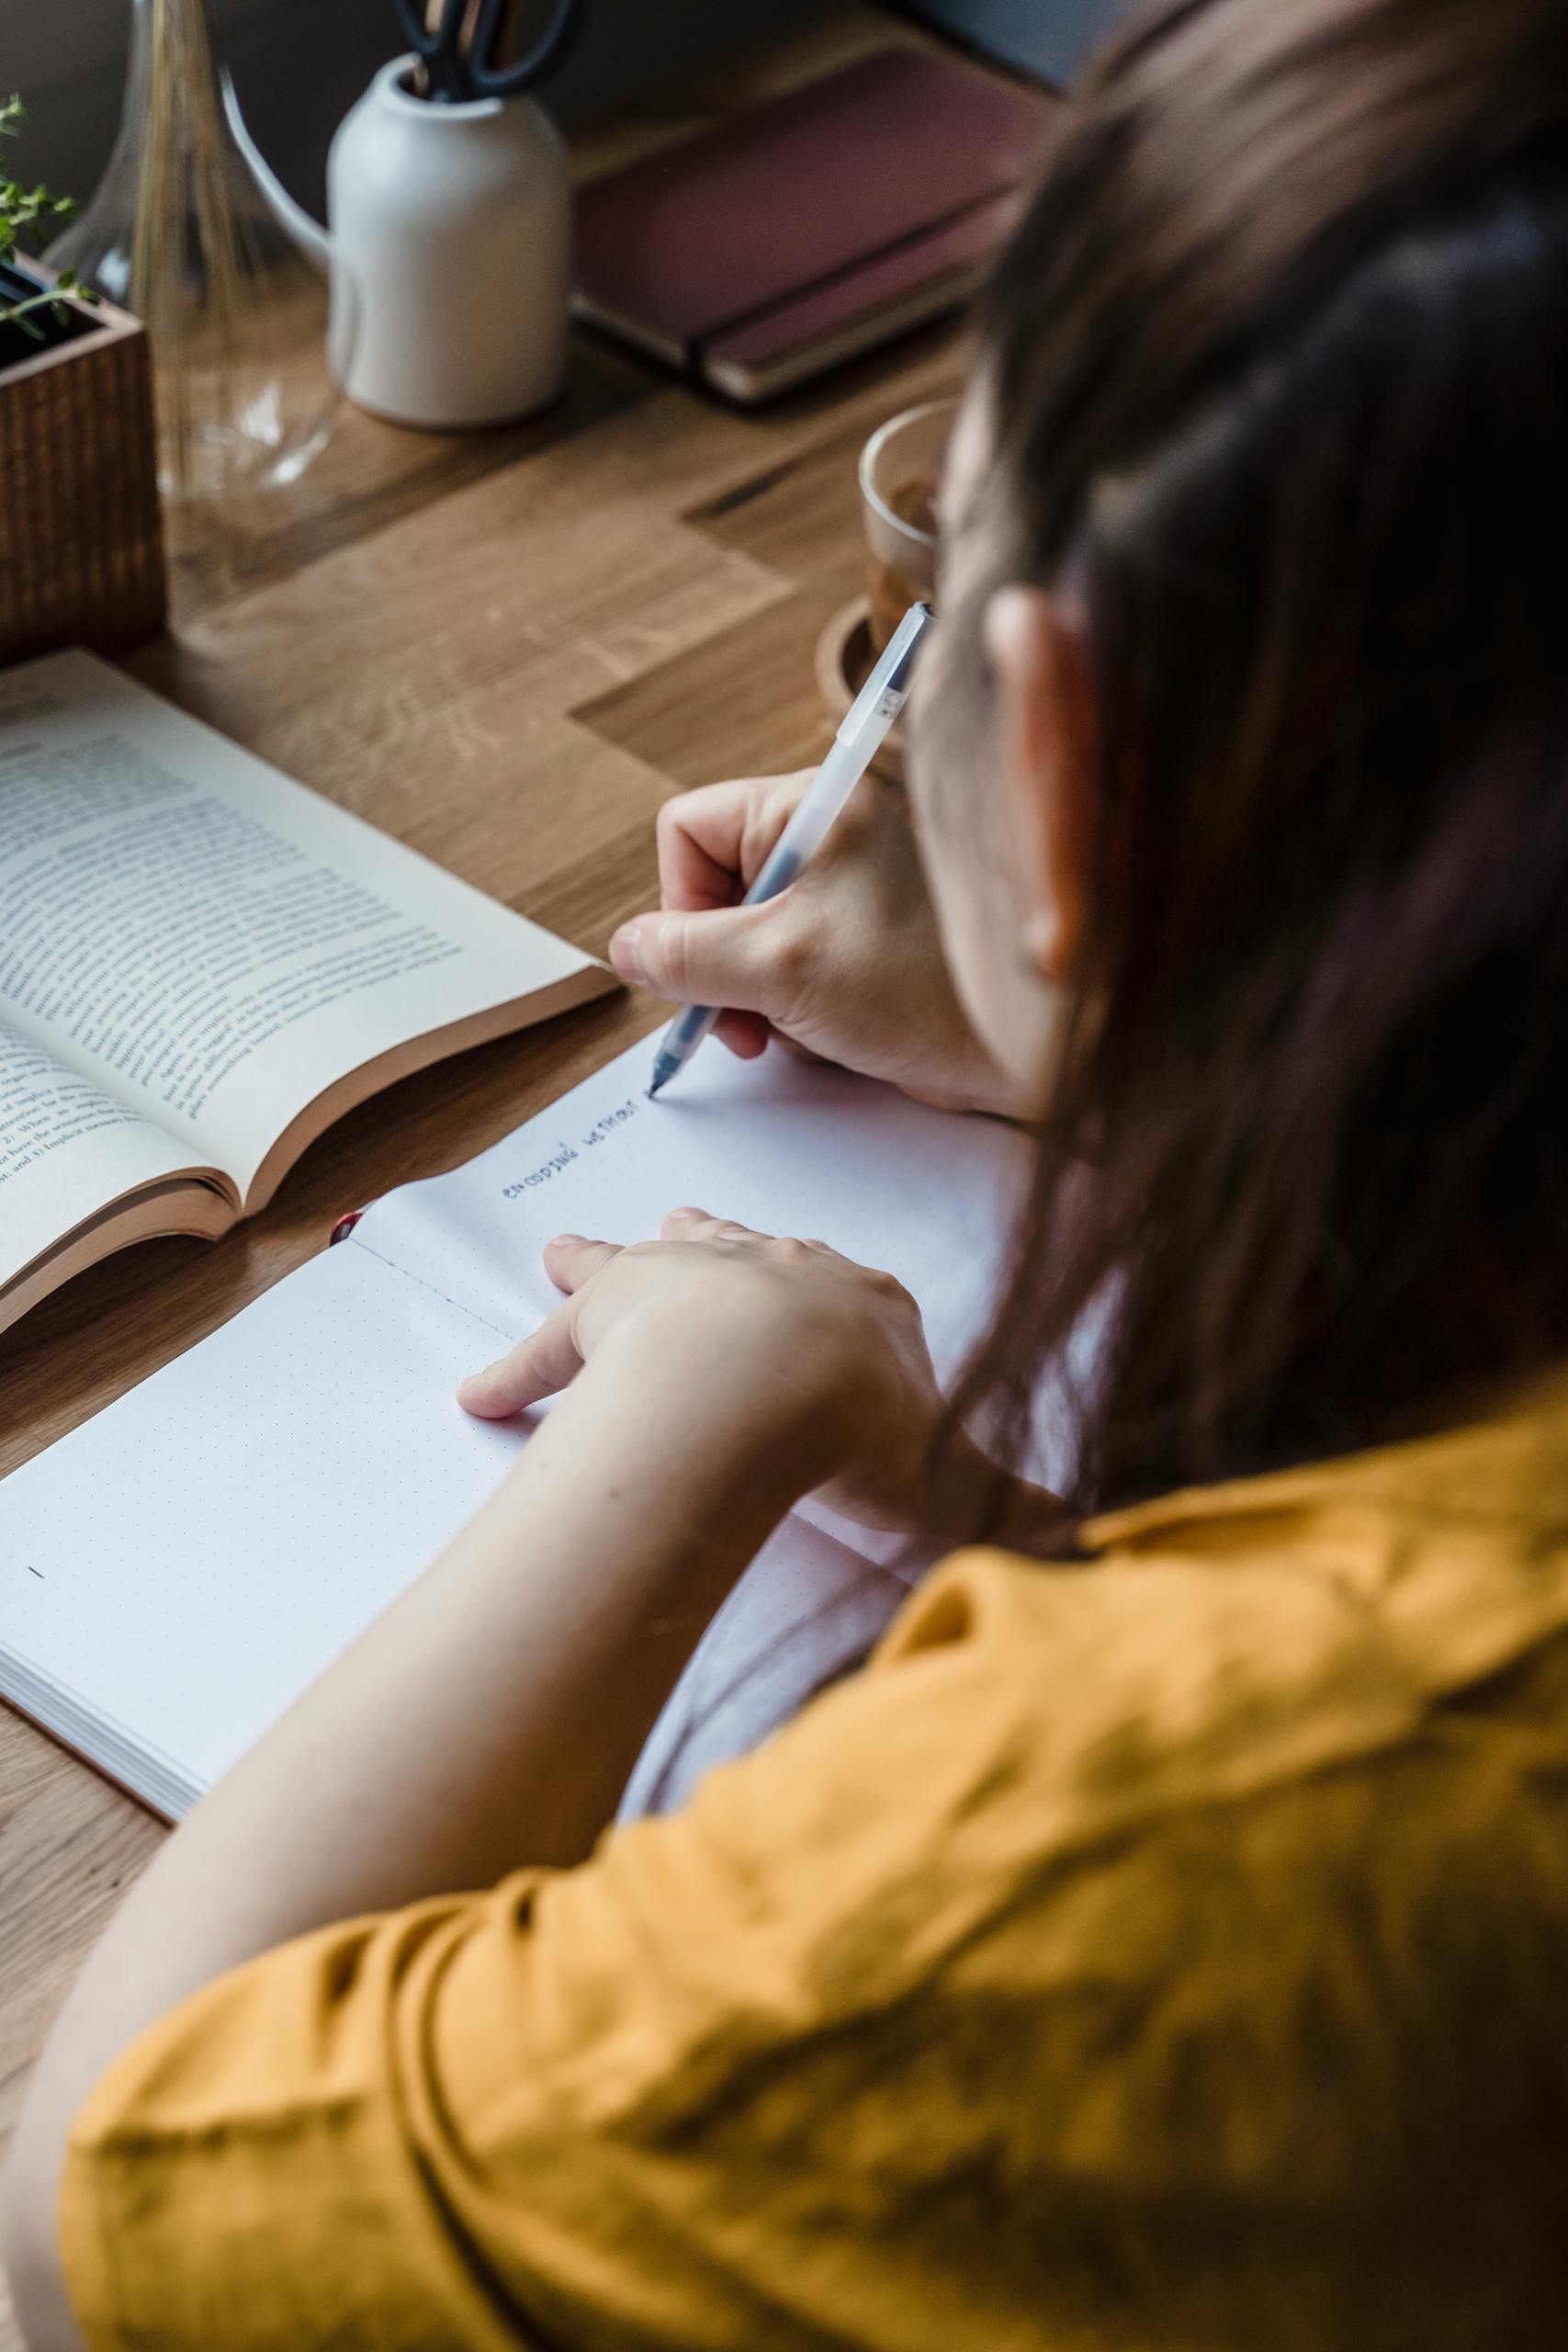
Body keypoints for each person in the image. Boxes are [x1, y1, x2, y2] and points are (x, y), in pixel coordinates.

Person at [9, 0, 1568, 2340]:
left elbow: (92, 2230)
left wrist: (681, 1419)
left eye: (931, 640)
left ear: (1057, 756)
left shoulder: (1173, 1842)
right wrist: (1124, 1002)